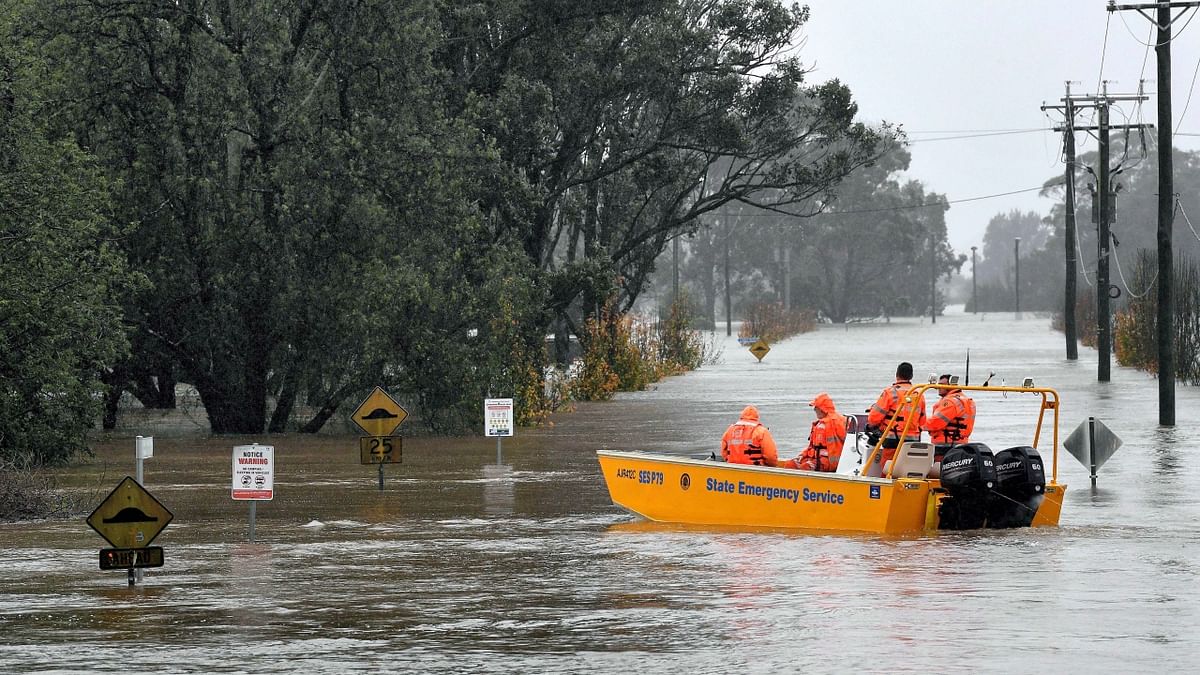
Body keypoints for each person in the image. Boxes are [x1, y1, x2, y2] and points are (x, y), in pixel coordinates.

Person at [866, 361, 927, 464]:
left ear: (897, 375)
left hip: (893, 439)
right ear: (911, 376)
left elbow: (873, 418)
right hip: (913, 440)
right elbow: (923, 421)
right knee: (907, 468)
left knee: (888, 469)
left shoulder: (890, 392)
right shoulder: (919, 394)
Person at [781, 393, 847, 472]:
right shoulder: (819, 424)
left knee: (805, 467)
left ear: (822, 409)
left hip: (828, 462)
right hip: (816, 459)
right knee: (790, 464)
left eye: (816, 407)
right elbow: (812, 446)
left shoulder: (837, 422)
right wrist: (803, 455)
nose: (814, 409)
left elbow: (848, 441)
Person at [923, 374, 976, 447]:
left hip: (946, 444)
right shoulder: (966, 400)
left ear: (950, 385)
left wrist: (917, 424)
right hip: (961, 443)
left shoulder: (950, 402)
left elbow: (936, 422)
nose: (939, 387)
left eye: (942, 385)